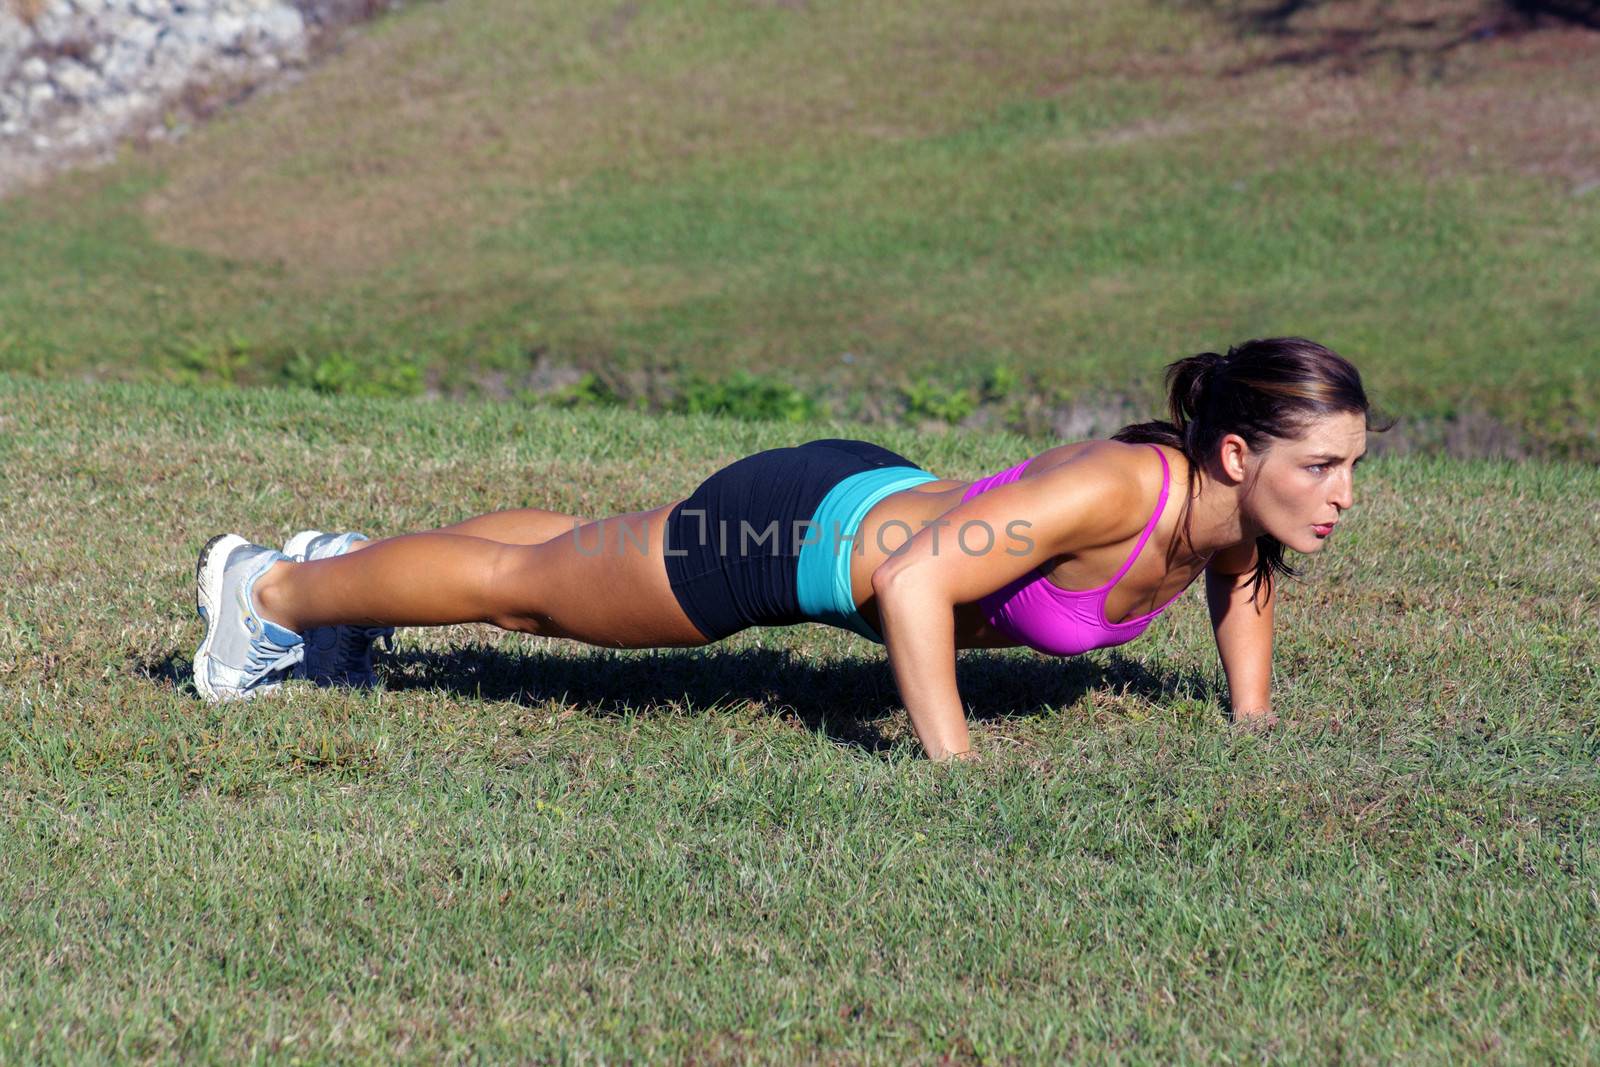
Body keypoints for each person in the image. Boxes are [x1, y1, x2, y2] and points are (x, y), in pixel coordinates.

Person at [191, 336, 1386, 761]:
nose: (1339, 495)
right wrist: (952, 759)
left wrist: (1253, 721)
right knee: (530, 598)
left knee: (574, 549)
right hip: (803, 537)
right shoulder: (1121, 484)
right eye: (1319, 467)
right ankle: (273, 589)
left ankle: (342, 560)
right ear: (1234, 453)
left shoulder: (1230, 521)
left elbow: (1243, 585)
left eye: (1350, 467)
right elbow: (917, 582)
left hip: (856, 499)